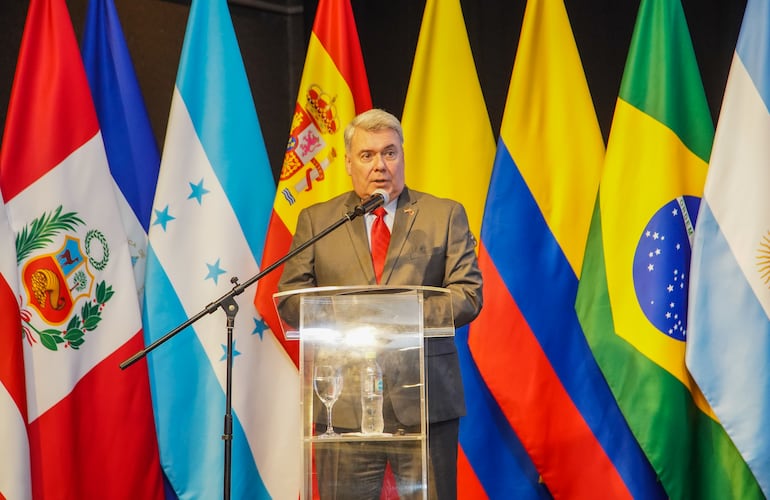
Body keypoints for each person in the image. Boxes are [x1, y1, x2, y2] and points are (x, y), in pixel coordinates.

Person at [278, 108, 482, 499]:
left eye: (390, 153)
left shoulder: (443, 215)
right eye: (367, 155)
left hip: (424, 404)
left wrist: (396, 318)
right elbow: (292, 301)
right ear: (348, 163)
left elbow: (467, 295)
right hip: (344, 405)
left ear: (403, 157)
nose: (380, 166)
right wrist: (355, 318)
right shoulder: (318, 221)